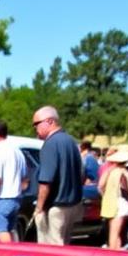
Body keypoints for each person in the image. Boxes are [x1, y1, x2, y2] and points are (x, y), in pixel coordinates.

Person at [31, 105, 84, 244]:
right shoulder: (71, 141)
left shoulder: (51, 144)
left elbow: (46, 181)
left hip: (55, 208)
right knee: (64, 246)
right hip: (72, 206)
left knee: (52, 251)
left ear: (50, 121)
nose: (35, 129)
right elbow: (82, 174)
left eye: (36, 124)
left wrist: (39, 208)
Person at [0, 119, 27, 242]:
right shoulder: (17, 151)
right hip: (15, 198)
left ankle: (8, 254)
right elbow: (24, 178)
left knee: (1, 231)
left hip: (1, 198)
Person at [98, 149, 128, 249]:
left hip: (115, 204)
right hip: (124, 204)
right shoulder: (126, 172)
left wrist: (104, 196)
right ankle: (118, 250)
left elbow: (101, 186)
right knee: (119, 233)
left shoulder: (111, 172)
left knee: (113, 233)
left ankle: (113, 252)